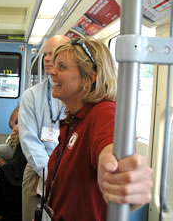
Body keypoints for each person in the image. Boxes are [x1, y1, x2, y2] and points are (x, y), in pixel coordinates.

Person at [44, 37, 153, 220]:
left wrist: (120, 173)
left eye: (62, 67)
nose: (52, 72)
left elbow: (109, 152)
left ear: (89, 78)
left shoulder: (104, 113)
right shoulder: (76, 119)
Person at [19, 35, 69, 221]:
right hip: (38, 170)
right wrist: (52, 176)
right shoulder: (32, 96)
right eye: (45, 54)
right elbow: (30, 141)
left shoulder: (82, 93)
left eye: (53, 54)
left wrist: (65, 177)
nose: (47, 59)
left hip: (70, 176)